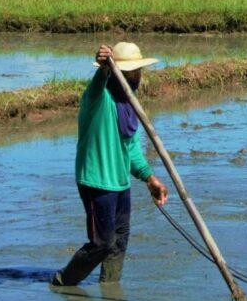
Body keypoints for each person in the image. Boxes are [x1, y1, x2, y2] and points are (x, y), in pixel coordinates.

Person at [51, 43, 168, 287]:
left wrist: (149, 178)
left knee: (120, 239)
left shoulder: (129, 104)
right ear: (118, 74)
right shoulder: (97, 98)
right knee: (102, 243)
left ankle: (110, 287)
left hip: (120, 182)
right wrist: (103, 68)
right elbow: (97, 84)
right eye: (132, 73)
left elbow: (132, 146)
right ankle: (64, 280)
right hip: (97, 181)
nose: (137, 77)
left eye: (139, 72)